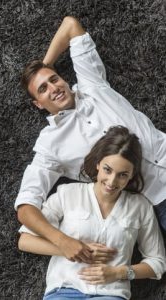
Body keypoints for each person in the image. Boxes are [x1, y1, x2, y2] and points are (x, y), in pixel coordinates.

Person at [15, 16, 166, 263]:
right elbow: (26, 207)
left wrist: (44, 65)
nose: (53, 88)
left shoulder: (92, 84)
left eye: (54, 79)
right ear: (38, 104)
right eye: (42, 89)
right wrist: (63, 242)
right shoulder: (50, 144)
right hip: (159, 199)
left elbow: (70, 25)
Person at [18, 126, 166, 300]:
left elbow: (157, 262)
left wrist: (120, 273)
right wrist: (68, 247)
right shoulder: (68, 193)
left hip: (111, 294)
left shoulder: (140, 206)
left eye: (122, 175)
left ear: (132, 175)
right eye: (107, 170)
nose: (112, 182)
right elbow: (25, 240)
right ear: (98, 164)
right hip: (63, 290)